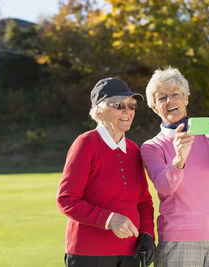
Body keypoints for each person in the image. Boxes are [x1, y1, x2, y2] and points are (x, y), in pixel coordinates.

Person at [140, 66, 209, 267]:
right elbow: (164, 186)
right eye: (162, 98)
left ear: (186, 99)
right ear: (154, 107)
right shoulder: (152, 146)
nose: (170, 101)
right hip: (180, 239)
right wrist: (179, 159)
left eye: (175, 94)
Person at [57, 77, 156, 267]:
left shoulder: (134, 149)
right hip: (89, 253)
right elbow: (66, 199)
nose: (127, 111)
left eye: (131, 105)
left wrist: (147, 234)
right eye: (119, 105)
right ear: (99, 113)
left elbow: (144, 201)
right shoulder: (85, 144)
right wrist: (110, 219)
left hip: (130, 253)